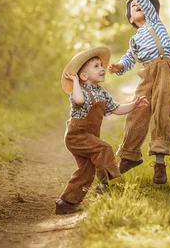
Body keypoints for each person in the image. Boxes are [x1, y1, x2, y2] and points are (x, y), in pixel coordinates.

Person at [56, 46, 148, 215]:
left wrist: (134, 105)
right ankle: (105, 184)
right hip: (77, 136)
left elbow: (117, 108)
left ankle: (66, 202)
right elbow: (78, 99)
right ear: (84, 76)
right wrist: (75, 82)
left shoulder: (102, 93)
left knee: (86, 170)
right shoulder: (80, 90)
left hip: (89, 137)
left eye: (101, 65)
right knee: (104, 148)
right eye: (96, 66)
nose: (102, 68)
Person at [108, 0, 170, 185]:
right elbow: (129, 59)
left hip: (164, 69)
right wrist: (120, 66)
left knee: (160, 112)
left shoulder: (154, 23)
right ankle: (129, 155)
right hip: (147, 72)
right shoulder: (135, 39)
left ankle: (159, 162)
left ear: (150, 11)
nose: (138, 5)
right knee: (138, 112)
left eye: (142, 5)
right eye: (134, 6)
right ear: (130, 19)